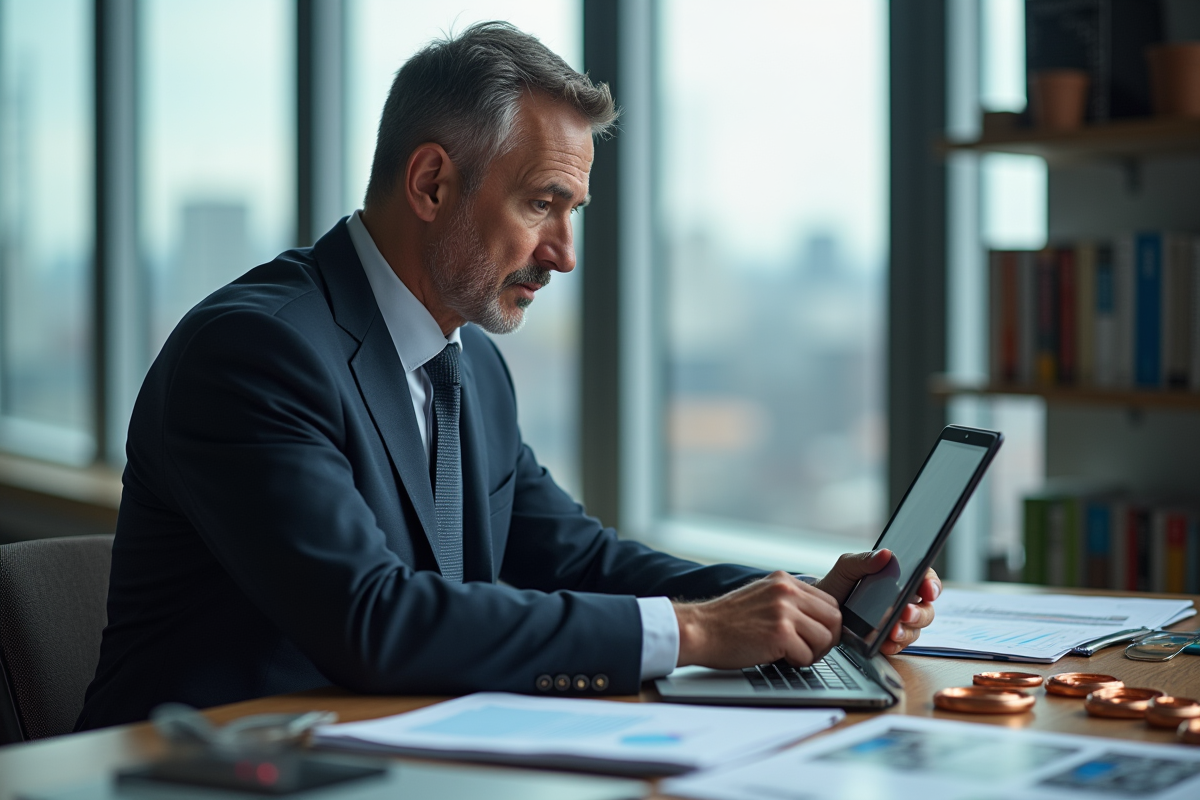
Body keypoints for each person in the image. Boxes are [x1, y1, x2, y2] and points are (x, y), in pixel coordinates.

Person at [76, 21, 940, 731]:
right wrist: (696, 632)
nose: (564, 255)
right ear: (431, 183)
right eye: (541, 204)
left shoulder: (470, 366)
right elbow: (373, 620)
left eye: (573, 212)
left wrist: (787, 600)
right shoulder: (255, 354)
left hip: (404, 757)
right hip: (209, 776)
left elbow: (574, 558)